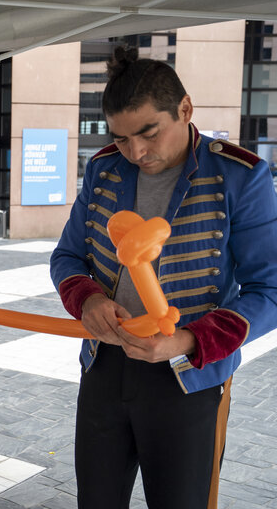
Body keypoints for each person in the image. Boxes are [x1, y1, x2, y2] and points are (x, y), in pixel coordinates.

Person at [50, 46, 277, 508]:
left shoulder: (239, 176)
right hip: (103, 366)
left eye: (148, 132)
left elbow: (270, 289)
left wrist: (189, 341)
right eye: (120, 137)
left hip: (188, 377)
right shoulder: (103, 168)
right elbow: (68, 256)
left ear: (186, 109)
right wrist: (88, 301)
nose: (136, 151)